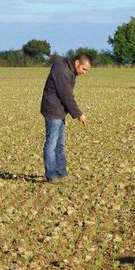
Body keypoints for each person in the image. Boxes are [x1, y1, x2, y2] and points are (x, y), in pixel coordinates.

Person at [40, 52, 91, 183]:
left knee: (60, 144)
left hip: (59, 110)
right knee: (52, 144)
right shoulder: (62, 71)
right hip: (53, 110)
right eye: (84, 69)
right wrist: (79, 114)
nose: (84, 72)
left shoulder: (68, 68)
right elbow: (66, 95)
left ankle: (62, 173)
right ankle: (52, 175)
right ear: (77, 63)